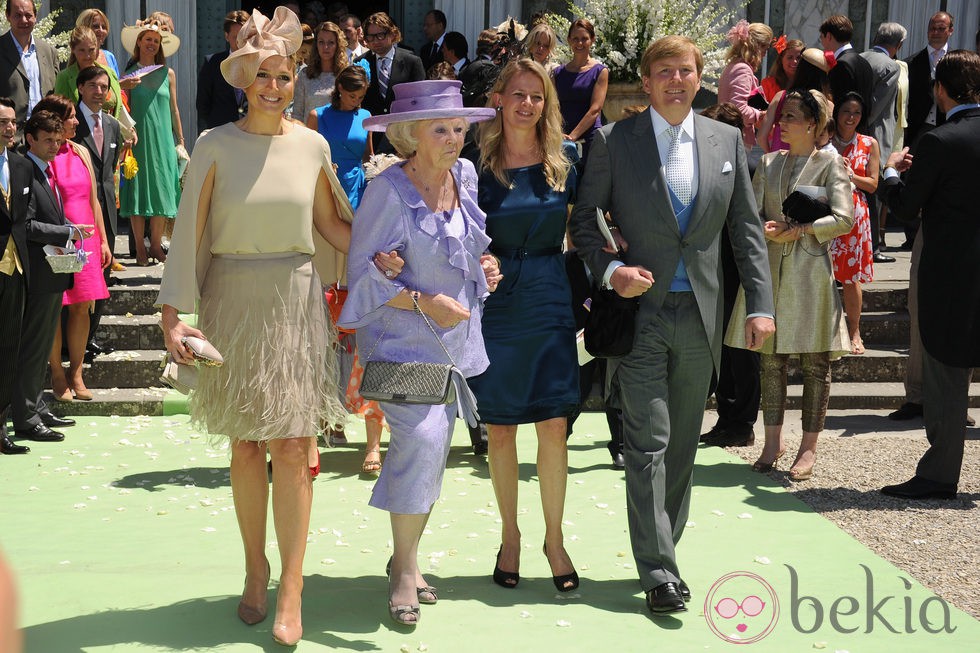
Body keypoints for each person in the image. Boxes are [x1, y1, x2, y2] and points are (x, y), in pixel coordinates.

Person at [156, 8, 359, 646]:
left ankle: (292, 587)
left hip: (296, 302)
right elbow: (188, 229)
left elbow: (333, 226)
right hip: (233, 301)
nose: (275, 85)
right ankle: (255, 568)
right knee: (246, 444)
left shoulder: (313, 144)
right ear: (245, 79)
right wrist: (172, 317)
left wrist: (400, 248)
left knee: (296, 447)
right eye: (264, 75)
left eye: (285, 74)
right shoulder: (215, 144)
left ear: (297, 77)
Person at [568, 35, 775, 615]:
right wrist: (610, 271)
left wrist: (760, 303)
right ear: (646, 78)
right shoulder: (613, 141)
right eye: (663, 71)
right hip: (641, 316)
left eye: (685, 70)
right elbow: (585, 221)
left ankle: (665, 553)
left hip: (702, 317)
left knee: (683, 446)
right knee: (647, 442)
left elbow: (746, 232)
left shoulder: (727, 139)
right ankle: (659, 569)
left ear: (699, 77)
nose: (675, 80)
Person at [338, 79, 498, 626]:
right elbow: (360, 274)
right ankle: (405, 570)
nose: (455, 139)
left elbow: (471, 251)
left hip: (453, 344)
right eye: (441, 129)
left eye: (459, 128)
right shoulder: (387, 192)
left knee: (431, 451)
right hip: (400, 340)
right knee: (426, 439)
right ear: (410, 135)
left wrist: (485, 271)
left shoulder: (467, 178)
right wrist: (426, 301)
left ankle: (403, 558)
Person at [465, 58, 580, 592]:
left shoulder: (566, 160)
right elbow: (458, 232)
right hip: (498, 304)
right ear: (500, 100)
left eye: (537, 96)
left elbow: (587, 226)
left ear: (547, 104)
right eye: (518, 94)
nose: (527, 104)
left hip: (550, 295)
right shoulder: (474, 165)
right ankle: (510, 536)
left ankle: (554, 539)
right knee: (504, 426)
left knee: (554, 423)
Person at [727, 88, 853, 482]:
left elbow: (845, 219)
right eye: (783, 116)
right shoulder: (767, 162)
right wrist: (766, 229)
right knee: (769, 361)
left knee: (815, 364)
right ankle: (773, 442)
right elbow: (753, 214)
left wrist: (797, 230)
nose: (782, 123)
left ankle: (809, 448)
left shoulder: (831, 164)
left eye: (792, 117)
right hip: (770, 271)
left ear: (814, 124)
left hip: (811, 276)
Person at [880, 50, 980, 500]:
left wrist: (888, 172)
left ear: (941, 89)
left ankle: (940, 475)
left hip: (954, 275)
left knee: (945, 373)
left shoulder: (940, 141)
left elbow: (904, 206)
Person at [307, 64, 386, 474]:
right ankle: (325, 414)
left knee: (355, 309)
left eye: (362, 97)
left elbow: (370, 160)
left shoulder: (366, 118)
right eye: (353, 96)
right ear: (339, 89)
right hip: (324, 201)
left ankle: (351, 410)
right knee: (323, 310)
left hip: (358, 200)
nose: (358, 102)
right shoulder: (317, 117)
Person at [11, 111, 91, 446]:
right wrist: (66, 232)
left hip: (52, 273)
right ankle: (27, 416)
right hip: (37, 272)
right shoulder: (25, 169)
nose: (55, 147)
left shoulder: (45, 170)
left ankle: (36, 407)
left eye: (58, 141)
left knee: (43, 344)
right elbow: (25, 225)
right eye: (48, 140)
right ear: (30, 139)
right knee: (33, 346)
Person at [33, 95, 111, 404]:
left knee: (82, 307)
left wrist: (104, 240)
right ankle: (56, 372)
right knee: (54, 308)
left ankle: (77, 372)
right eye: (70, 118)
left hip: (86, 241)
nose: (77, 121)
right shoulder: (42, 155)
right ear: (54, 121)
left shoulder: (80, 152)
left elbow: (94, 201)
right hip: (54, 242)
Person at [698, 102, 761, 449]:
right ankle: (726, 416)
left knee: (744, 349)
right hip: (713, 267)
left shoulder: (752, 166)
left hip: (740, 268)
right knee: (721, 346)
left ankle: (744, 422)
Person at [119, 18, 184, 266]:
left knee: (161, 190)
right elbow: (122, 109)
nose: (152, 45)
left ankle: (156, 245)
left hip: (163, 140)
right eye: (148, 40)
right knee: (137, 192)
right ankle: (139, 246)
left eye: (156, 41)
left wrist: (180, 140)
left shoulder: (168, 73)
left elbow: (174, 109)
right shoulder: (129, 74)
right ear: (139, 42)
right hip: (138, 138)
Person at [73, 66, 126, 363]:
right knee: (79, 276)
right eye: (92, 85)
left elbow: (111, 170)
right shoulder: (70, 122)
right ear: (81, 87)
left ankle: (90, 337)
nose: (99, 91)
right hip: (77, 208)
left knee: (103, 275)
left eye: (104, 86)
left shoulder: (113, 124)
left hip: (106, 208)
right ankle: (73, 341)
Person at [0, 96, 39, 455]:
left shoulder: (22, 166)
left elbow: (22, 220)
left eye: (13, 121)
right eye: (3, 122)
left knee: (9, 347)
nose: (10, 128)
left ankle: (0, 425)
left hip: (16, 269)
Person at [829, 92, 878, 355]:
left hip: (854, 217)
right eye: (846, 111)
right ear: (837, 113)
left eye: (856, 112)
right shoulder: (825, 141)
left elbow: (873, 184)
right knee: (821, 277)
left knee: (850, 280)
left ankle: (855, 331)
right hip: (826, 214)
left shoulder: (869, 143)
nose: (851, 117)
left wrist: (851, 175)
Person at [861, 22, 906, 266]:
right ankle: (873, 247)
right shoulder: (890, 66)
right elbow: (876, 107)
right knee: (875, 192)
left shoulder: (859, 58)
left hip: (851, 132)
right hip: (876, 134)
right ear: (898, 45)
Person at [356, 12, 425, 153]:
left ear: (392, 34)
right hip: (372, 137)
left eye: (380, 35)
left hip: (405, 136)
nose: (376, 41)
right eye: (371, 37)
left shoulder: (411, 61)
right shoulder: (360, 63)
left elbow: (420, 101)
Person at [0, 0, 58, 143]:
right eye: (17, 15)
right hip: (10, 138)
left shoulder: (49, 52)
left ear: (35, 16)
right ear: (8, 16)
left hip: (44, 138)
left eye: (28, 15)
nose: (24, 20)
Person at [552, 19, 608, 166]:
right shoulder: (557, 73)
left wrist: (572, 137)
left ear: (592, 40)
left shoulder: (600, 71)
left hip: (590, 139)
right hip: (560, 137)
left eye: (584, 39)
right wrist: (559, 135)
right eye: (575, 39)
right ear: (569, 40)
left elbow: (595, 109)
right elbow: (553, 106)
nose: (580, 43)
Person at [292, 21, 368, 121]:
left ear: (338, 45)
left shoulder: (347, 74)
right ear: (316, 45)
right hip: (310, 134)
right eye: (321, 42)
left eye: (331, 42)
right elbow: (297, 115)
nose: (325, 47)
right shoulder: (305, 75)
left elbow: (356, 110)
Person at [759, 48, 832, 153]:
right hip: (811, 166)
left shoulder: (781, 97)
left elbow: (761, 137)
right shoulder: (828, 105)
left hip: (781, 166)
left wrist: (771, 158)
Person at [717, 20, 773, 152]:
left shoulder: (734, 66)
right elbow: (739, 109)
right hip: (735, 138)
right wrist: (760, 114)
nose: (765, 54)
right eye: (765, 48)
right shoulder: (742, 69)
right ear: (757, 46)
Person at [54, 26, 124, 119]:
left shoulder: (109, 72)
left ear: (97, 47)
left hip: (110, 131)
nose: (87, 56)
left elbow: (120, 108)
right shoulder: (65, 77)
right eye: (82, 50)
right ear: (72, 49)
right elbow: (58, 113)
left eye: (91, 50)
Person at [196, 10, 250, 130]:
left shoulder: (257, 64)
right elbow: (202, 104)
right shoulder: (212, 63)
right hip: (220, 132)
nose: (240, 42)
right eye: (236, 37)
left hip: (250, 132)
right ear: (226, 36)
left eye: (244, 37)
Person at [820, 15, 874, 131]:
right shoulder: (864, 62)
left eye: (822, 37)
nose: (822, 42)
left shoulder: (841, 64)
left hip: (845, 133)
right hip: (862, 130)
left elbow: (840, 102)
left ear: (828, 36)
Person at [75, 9, 120, 77]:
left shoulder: (109, 56)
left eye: (104, 27)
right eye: (96, 26)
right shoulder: (79, 57)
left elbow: (116, 83)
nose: (101, 30)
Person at [761, 36, 804, 101]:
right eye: (790, 57)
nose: (795, 61)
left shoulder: (808, 83)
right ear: (781, 59)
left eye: (798, 58)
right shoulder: (768, 84)